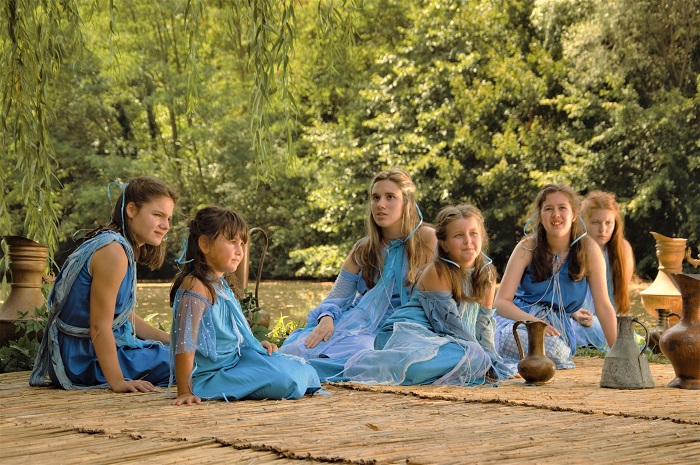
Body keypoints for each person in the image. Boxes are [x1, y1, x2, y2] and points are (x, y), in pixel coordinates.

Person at [278, 168, 437, 380]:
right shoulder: (364, 248)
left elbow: (451, 287)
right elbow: (337, 296)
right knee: (298, 348)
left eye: (390, 197)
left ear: (406, 202)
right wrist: (326, 318)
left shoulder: (428, 240)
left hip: (405, 326)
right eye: (375, 198)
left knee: (365, 354)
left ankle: (318, 370)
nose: (381, 205)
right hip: (360, 322)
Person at [342, 204, 516, 385]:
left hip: (445, 343)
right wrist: (481, 358)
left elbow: (483, 325)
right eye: (458, 235)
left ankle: (448, 368)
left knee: (468, 357)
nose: (468, 241)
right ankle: (369, 364)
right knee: (455, 359)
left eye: (473, 233)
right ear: (444, 244)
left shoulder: (487, 275)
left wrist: (492, 360)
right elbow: (450, 327)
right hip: (406, 334)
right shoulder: (438, 272)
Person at [30, 176, 176, 392]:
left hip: (84, 353)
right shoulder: (113, 252)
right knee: (193, 364)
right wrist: (117, 382)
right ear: (131, 210)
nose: (166, 226)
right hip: (83, 360)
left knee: (185, 354)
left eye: (169, 218)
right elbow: (99, 325)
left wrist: (171, 340)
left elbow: (121, 316)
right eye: (157, 215)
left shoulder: (115, 244)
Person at [169, 206, 320, 405]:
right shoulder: (195, 286)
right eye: (232, 242)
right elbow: (185, 343)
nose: (239, 251)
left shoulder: (221, 283)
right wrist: (184, 391)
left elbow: (230, 334)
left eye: (241, 243)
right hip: (211, 376)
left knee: (304, 369)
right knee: (286, 380)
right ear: (205, 244)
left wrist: (254, 345)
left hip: (235, 362)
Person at [494, 183, 617, 370]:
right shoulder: (527, 247)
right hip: (517, 323)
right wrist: (534, 322)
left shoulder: (589, 250)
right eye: (548, 209)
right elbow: (501, 302)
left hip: (558, 332)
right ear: (540, 215)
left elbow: (603, 305)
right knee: (519, 342)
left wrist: (618, 352)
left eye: (562, 208)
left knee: (557, 351)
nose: (556, 215)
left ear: (574, 214)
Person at [571, 191, 635, 348]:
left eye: (608, 223)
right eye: (595, 222)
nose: (603, 229)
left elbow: (618, 299)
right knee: (574, 329)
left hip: (606, 319)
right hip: (575, 317)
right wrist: (575, 313)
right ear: (583, 222)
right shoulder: (572, 250)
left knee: (614, 330)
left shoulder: (622, 250)